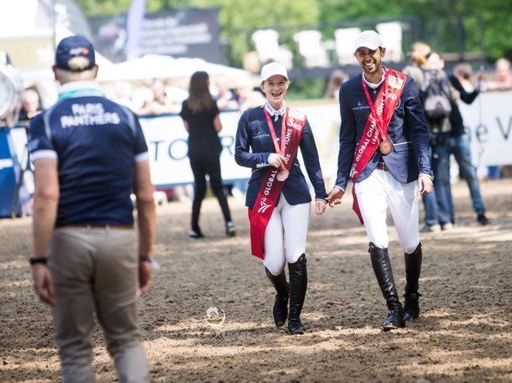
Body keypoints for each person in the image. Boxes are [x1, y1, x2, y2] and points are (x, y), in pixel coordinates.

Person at [28, 35, 157, 382]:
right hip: (119, 237)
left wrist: (39, 259)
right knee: (127, 341)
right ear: (96, 70)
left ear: (56, 73)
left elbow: (46, 197)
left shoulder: (46, 121)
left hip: (69, 239)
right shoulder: (126, 118)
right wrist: (146, 256)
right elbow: (146, 196)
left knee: (75, 349)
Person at [327, 30, 433, 331]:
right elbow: (347, 139)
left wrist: (426, 171)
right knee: (377, 238)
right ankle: (394, 308)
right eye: (361, 53)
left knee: (409, 242)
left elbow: (420, 131)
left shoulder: (404, 83)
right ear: (356, 56)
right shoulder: (348, 90)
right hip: (367, 173)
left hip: (402, 171)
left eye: (371, 52)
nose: (367, 58)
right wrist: (340, 182)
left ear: (382, 52)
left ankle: (412, 297)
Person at [235, 62, 328, 335]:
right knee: (274, 262)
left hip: (295, 192)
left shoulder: (299, 118)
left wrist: (320, 193)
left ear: (287, 85)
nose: (276, 88)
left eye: (281, 83)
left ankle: (296, 318)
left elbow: (312, 159)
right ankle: (282, 293)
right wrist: (264, 158)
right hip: (263, 195)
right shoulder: (249, 118)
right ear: (262, 87)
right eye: (270, 83)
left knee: (295, 253)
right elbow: (239, 155)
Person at [179, 71, 236, 238]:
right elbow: (218, 127)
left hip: (195, 150)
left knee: (199, 189)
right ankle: (229, 223)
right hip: (211, 149)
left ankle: (194, 227)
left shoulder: (186, 104)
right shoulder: (212, 103)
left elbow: (187, 128)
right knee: (218, 187)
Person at [418, 50, 457, 232]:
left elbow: (417, 102)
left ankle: (433, 221)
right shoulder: (444, 77)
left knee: (426, 176)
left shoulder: (421, 78)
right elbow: (454, 99)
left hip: (426, 133)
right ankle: (446, 219)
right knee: (441, 177)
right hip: (443, 131)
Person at [447, 63, 490, 225]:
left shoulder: (450, 79)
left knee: (469, 174)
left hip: (457, 133)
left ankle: (480, 211)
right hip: (442, 136)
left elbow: (467, 98)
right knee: (446, 179)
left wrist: (478, 88)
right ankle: (448, 216)